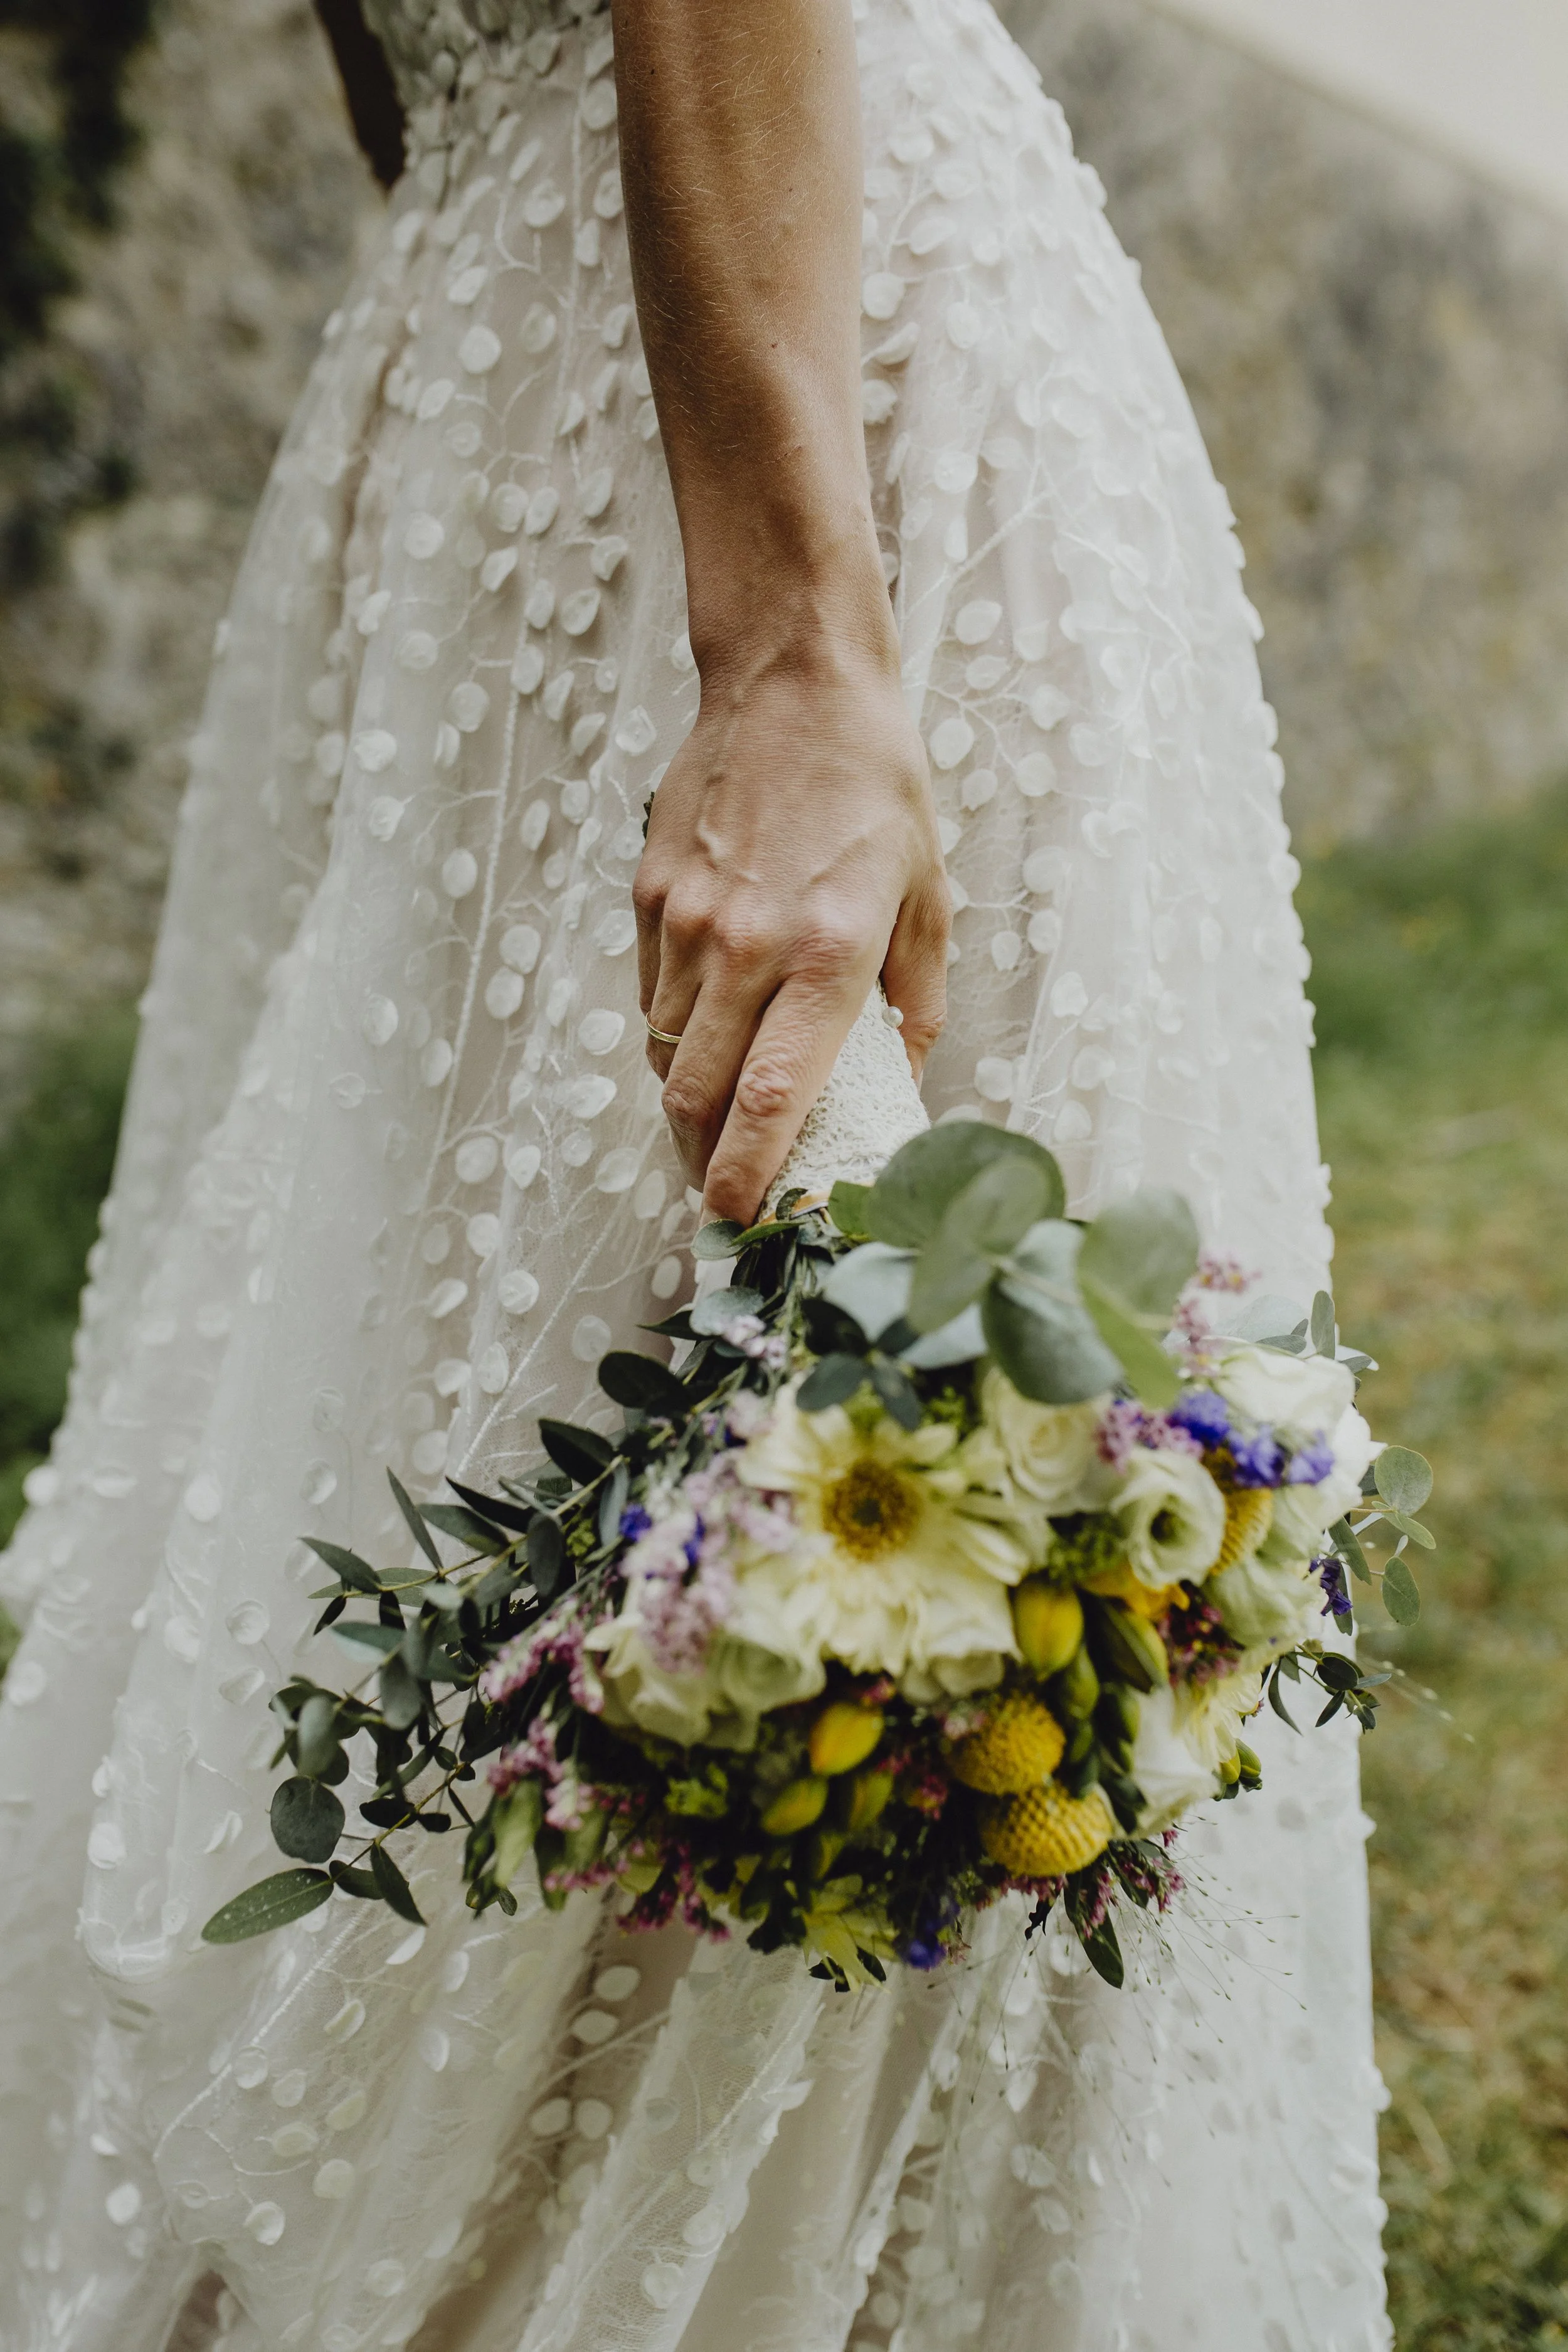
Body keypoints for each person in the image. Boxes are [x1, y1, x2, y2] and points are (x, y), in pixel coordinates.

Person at [0, 4, 1392, 2346]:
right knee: (452, 1380)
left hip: (782, 411)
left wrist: (787, 649)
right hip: (550, 351)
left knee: (784, 1357)